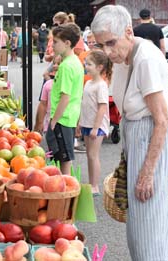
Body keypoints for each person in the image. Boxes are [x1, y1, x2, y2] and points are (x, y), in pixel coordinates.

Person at [92, 5, 168, 261]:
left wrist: (147, 173)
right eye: (100, 45)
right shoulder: (125, 56)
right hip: (138, 135)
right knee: (139, 224)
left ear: (128, 31)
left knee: (148, 223)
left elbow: (161, 120)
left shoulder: (146, 59)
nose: (106, 52)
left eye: (111, 43)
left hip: (152, 136)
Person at [45, 23, 84, 175]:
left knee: (64, 158)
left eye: (55, 42)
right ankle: (64, 184)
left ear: (67, 43)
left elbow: (65, 97)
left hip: (63, 118)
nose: (52, 45)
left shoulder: (66, 66)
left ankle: (65, 187)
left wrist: (54, 121)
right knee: (63, 156)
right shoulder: (75, 62)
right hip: (69, 116)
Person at [78, 50, 112, 195]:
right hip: (87, 123)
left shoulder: (101, 85)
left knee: (93, 154)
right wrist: (80, 123)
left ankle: (95, 185)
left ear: (99, 67)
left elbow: (103, 107)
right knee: (89, 155)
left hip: (96, 126)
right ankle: (91, 183)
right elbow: (84, 104)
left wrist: (95, 128)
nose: (86, 66)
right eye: (86, 63)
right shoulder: (88, 83)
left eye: (89, 64)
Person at [34, 55, 62, 135]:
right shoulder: (48, 85)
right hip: (48, 124)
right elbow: (43, 104)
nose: (55, 66)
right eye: (54, 63)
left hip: (63, 124)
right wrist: (39, 123)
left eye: (58, 64)